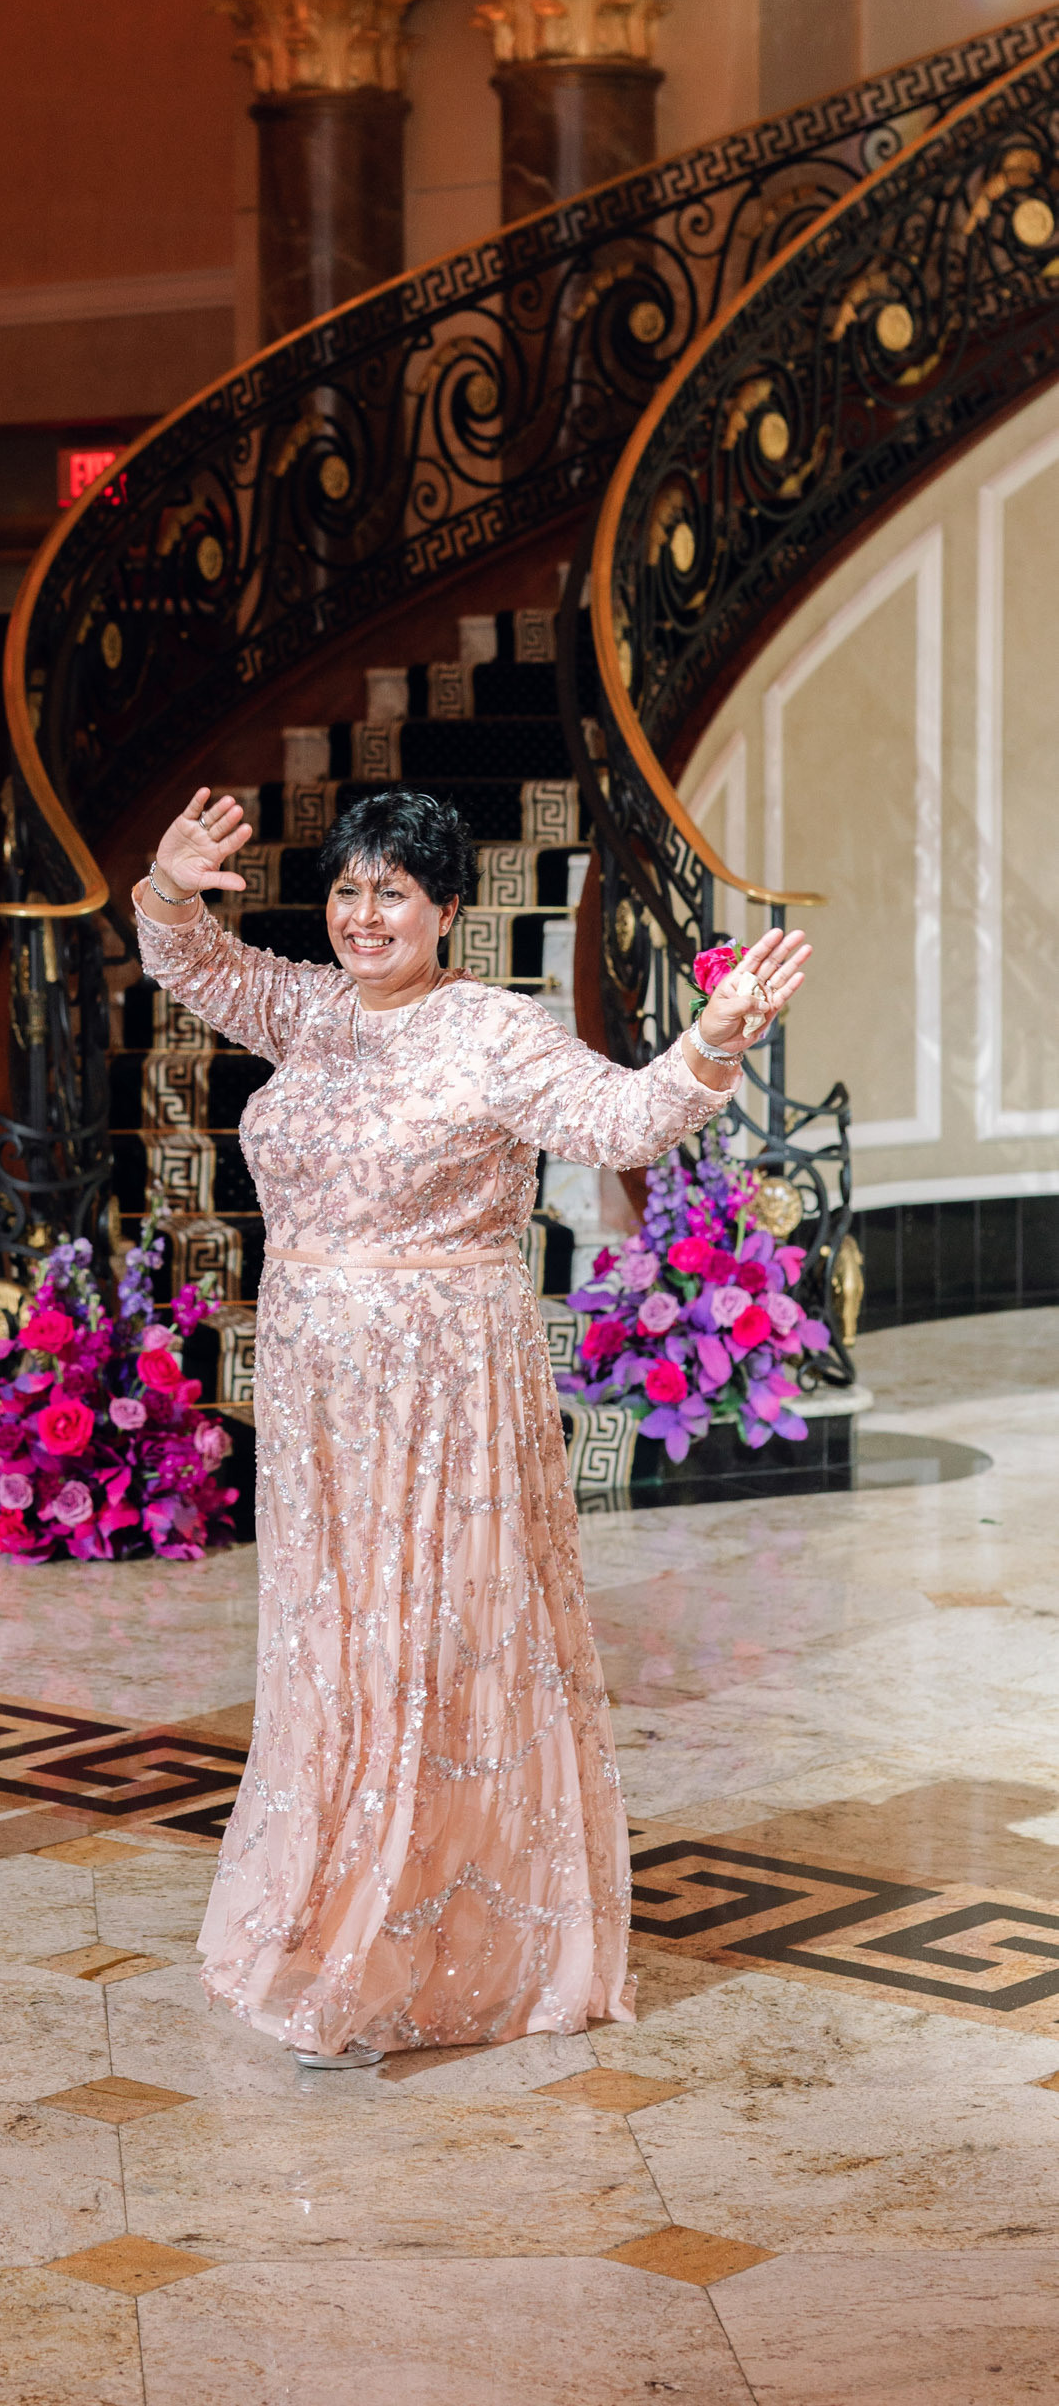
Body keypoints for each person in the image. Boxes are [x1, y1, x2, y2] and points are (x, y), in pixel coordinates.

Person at [134, 785, 812, 2070]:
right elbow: (183, 953)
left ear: (448, 910)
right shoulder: (306, 1009)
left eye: (392, 891)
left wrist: (713, 1039)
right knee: (332, 1638)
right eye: (345, 889)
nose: (361, 914)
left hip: (442, 1390)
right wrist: (169, 884)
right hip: (313, 1389)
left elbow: (621, 1120)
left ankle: (404, 1939)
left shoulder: (491, 1032)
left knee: (427, 1641)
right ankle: (324, 1893)